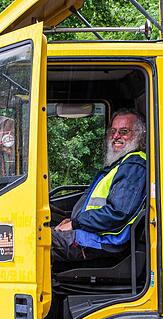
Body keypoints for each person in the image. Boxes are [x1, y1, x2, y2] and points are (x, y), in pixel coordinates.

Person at [52, 109, 147, 262]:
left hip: (104, 241)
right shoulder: (121, 164)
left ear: (139, 135)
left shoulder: (134, 166)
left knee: (35, 243)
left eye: (124, 132)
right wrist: (71, 221)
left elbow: (117, 213)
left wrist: (76, 223)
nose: (116, 136)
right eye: (114, 131)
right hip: (95, 234)